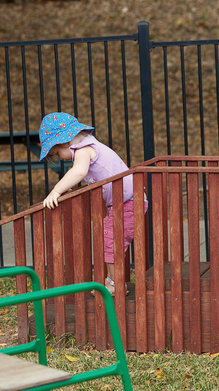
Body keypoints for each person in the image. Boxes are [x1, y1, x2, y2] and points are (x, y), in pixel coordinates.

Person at [38, 112, 146, 295]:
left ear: (64, 142)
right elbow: (94, 176)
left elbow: (79, 172)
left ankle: (115, 284)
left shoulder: (82, 149)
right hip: (126, 201)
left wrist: (56, 190)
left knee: (112, 242)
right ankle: (114, 281)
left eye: (57, 153)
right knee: (112, 241)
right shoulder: (90, 144)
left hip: (127, 202)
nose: (61, 158)